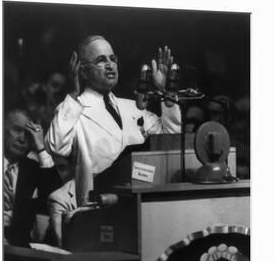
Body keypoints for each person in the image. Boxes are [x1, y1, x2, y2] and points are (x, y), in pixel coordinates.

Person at [45, 35, 181, 205]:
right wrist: (73, 94)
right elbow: (56, 145)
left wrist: (166, 91)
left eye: (113, 59)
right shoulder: (73, 110)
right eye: (101, 60)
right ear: (83, 71)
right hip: (98, 206)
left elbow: (170, 139)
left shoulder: (134, 108)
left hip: (142, 201)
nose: (110, 65)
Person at [3, 107, 61, 246]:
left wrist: (41, 147)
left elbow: (58, 198)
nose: (22, 139)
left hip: (18, 251)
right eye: (17, 130)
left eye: (28, 135)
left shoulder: (32, 170)